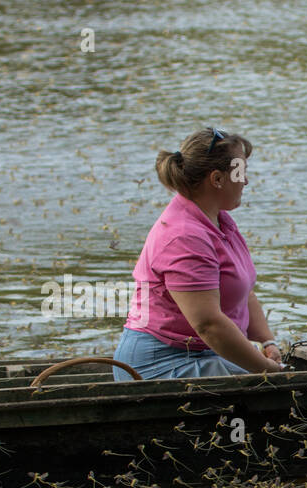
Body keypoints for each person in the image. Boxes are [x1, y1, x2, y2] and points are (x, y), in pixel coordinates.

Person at [112, 127, 283, 380]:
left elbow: (243, 291)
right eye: (240, 172)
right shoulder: (184, 236)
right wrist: (269, 371)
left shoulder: (220, 221)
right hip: (159, 364)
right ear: (217, 179)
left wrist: (266, 342)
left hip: (203, 353)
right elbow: (208, 324)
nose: (246, 181)